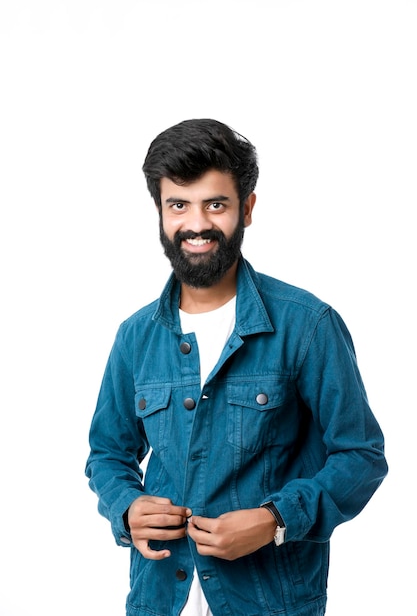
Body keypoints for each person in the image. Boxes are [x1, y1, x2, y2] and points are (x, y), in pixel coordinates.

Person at [85, 118, 388, 616]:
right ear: (160, 212)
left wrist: (275, 519)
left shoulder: (308, 325)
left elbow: (361, 455)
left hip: (271, 600)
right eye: (178, 205)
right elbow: (107, 453)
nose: (197, 223)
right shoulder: (135, 336)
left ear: (246, 209)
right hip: (159, 598)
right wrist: (126, 507)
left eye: (216, 204)